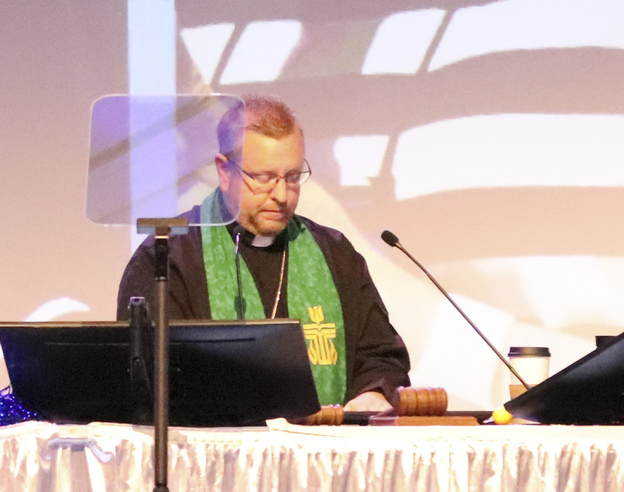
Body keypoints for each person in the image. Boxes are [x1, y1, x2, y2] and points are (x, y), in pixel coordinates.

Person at [116, 95, 410, 413]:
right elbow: (146, 374)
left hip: (325, 458)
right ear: (224, 170)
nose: (282, 195)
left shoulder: (335, 254)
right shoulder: (169, 255)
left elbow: (381, 355)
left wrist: (375, 392)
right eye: (263, 178)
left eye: (293, 177)